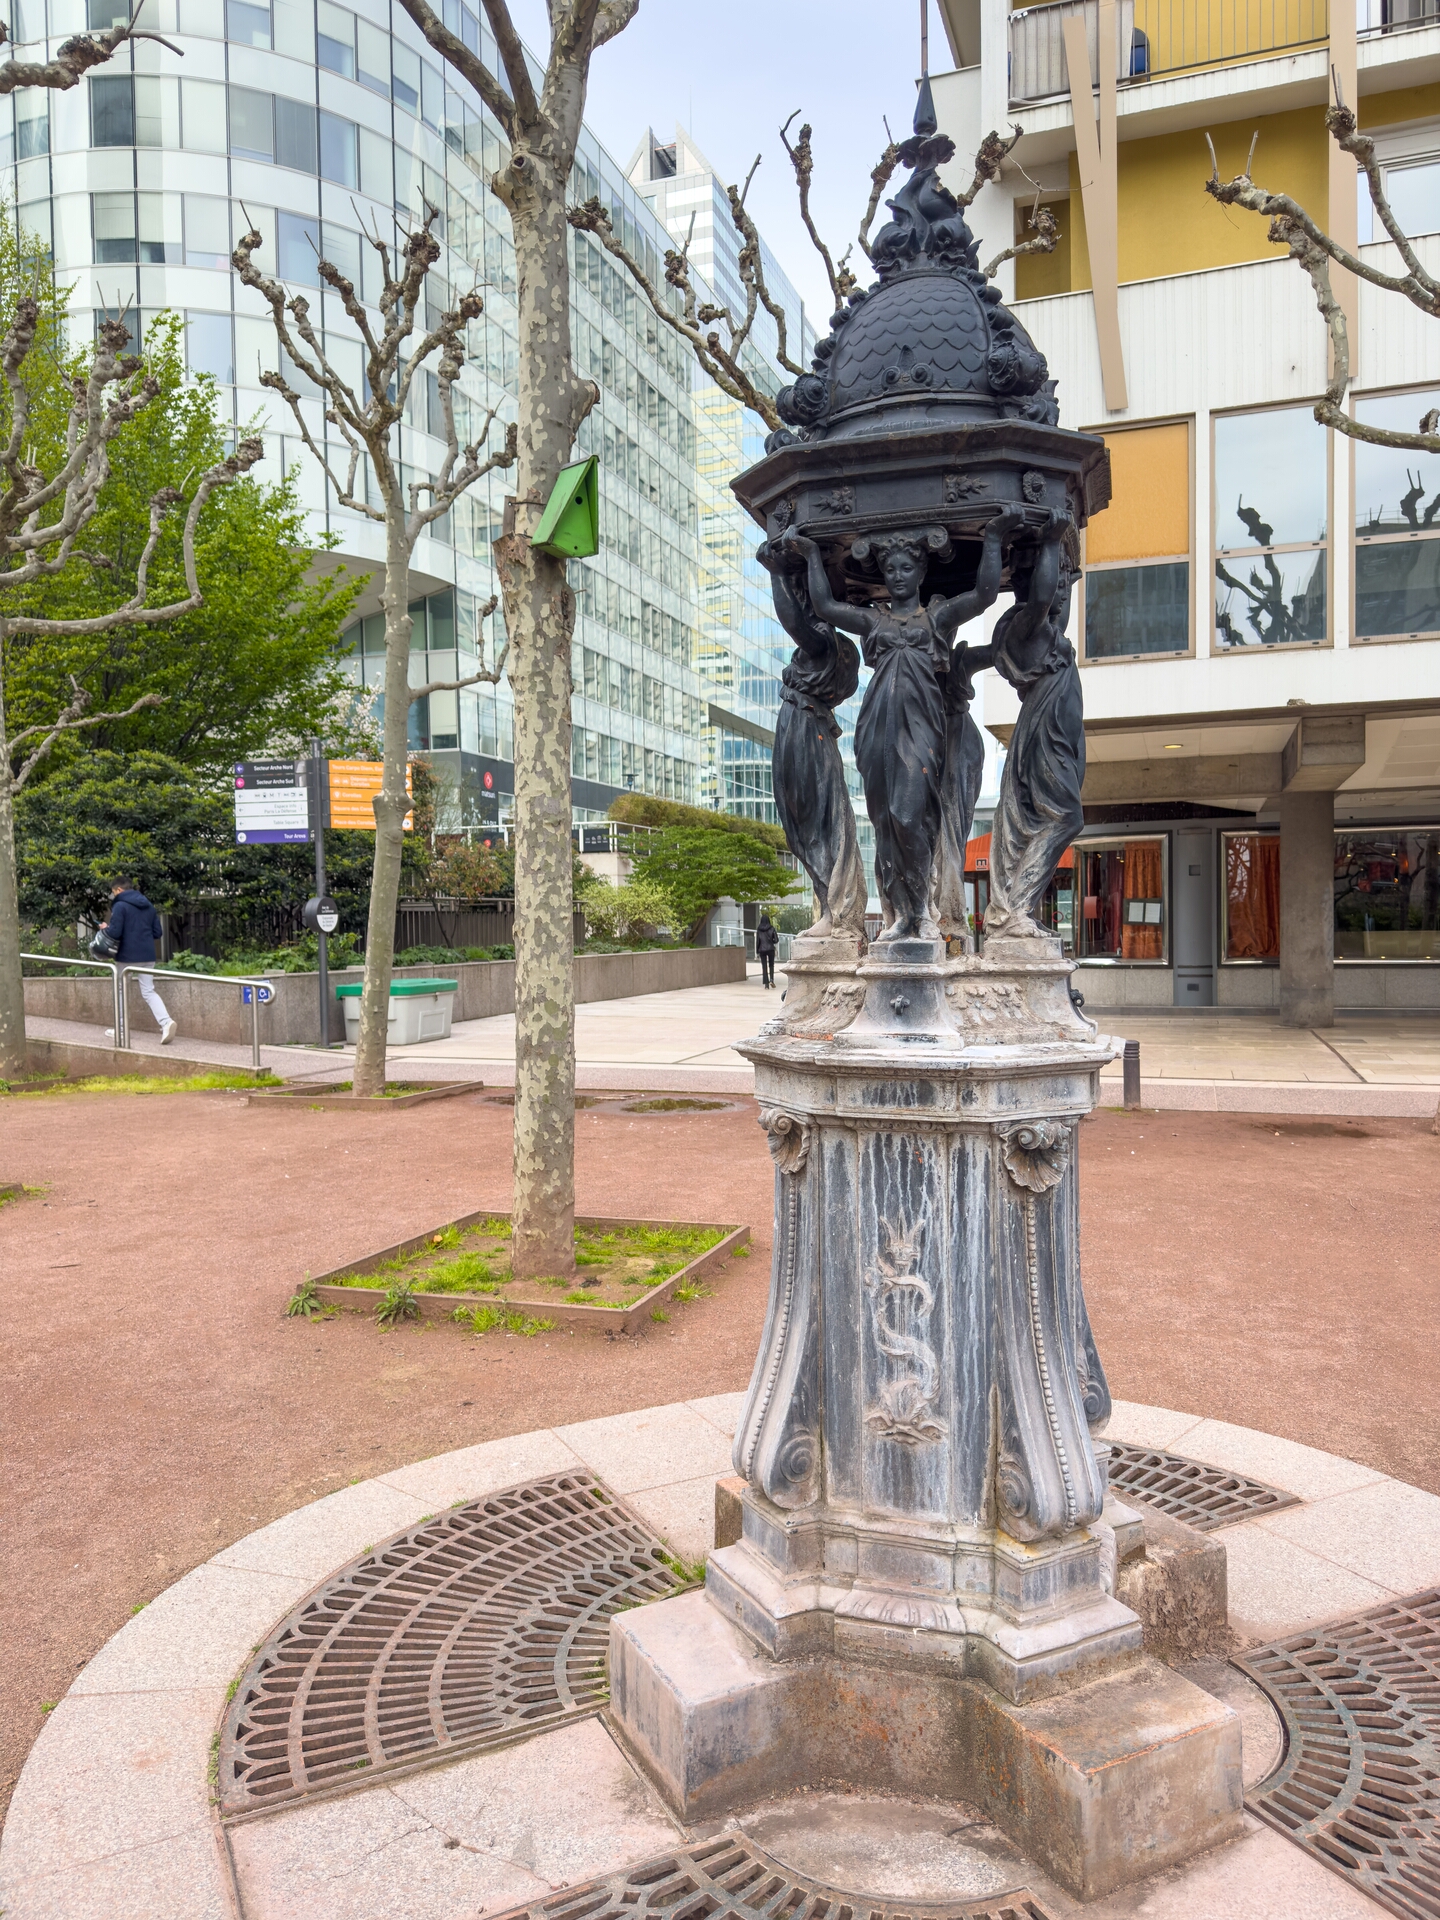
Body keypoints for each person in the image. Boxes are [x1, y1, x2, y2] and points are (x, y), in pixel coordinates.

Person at [786, 509, 1024, 942]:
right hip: (878, 725)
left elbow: (984, 595)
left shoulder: (935, 618)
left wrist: (994, 538)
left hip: (920, 728)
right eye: (890, 568)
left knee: (909, 814)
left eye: (907, 567)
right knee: (885, 821)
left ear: (921, 570)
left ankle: (920, 913)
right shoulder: (874, 620)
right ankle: (902, 917)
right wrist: (810, 557)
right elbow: (824, 605)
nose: (897, 575)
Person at [757, 540, 867, 940]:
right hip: (798, 727)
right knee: (800, 825)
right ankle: (831, 906)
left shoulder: (824, 643)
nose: (799, 601)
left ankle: (840, 911)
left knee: (816, 819)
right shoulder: (823, 646)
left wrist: (775, 570)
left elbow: (794, 623)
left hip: (807, 728)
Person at [102, 878, 176, 1043]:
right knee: (149, 991)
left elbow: (115, 933)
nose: (113, 896)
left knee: (120, 990)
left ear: (119, 890)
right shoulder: (148, 905)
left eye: (113, 893)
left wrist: (106, 929)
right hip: (148, 955)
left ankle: (120, 1029)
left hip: (127, 956)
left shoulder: (120, 906)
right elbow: (157, 932)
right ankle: (166, 1022)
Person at [755, 913, 779, 988]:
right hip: (770, 949)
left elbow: (758, 941)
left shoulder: (759, 929)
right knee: (771, 965)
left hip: (762, 949)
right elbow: (776, 940)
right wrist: (771, 941)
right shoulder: (772, 928)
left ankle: (766, 984)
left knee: (764, 966)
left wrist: (757, 950)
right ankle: (771, 979)